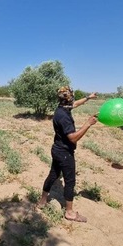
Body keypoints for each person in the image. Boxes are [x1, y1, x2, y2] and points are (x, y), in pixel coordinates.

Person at [37, 86, 98, 223]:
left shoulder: (62, 108)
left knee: (53, 175)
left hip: (57, 149)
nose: (73, 99)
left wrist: (89, 97)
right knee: (70, 181)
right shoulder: (63, 117)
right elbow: (73, 138)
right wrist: (88, 124)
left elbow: (75, 104)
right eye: (71, 96)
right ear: (68, 98)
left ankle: (42, 202)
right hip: (64, 153)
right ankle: (69, 213)